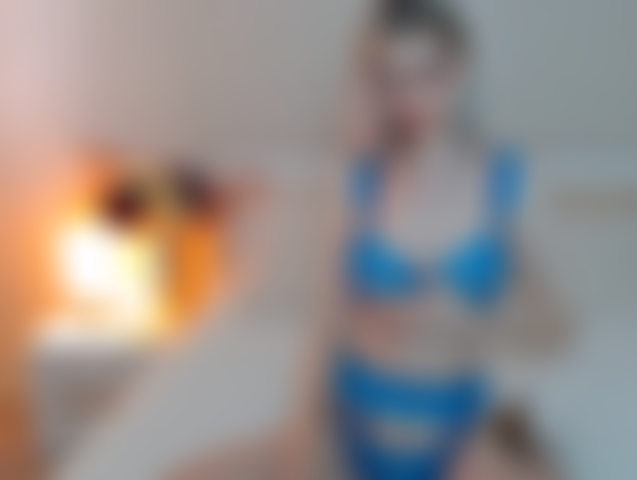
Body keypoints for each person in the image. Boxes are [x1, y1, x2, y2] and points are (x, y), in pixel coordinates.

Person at [173, 1, 566, 479]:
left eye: (430, 73)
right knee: (179, 476)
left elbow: (557, 328)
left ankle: (517, 439)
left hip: (453, 432)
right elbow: (325, 325)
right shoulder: (359, 181)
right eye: (393, 79)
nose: (415, 97)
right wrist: (304, 433)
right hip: (351, 420)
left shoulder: (507, 180)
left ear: (462, 68)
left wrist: (460, 326)